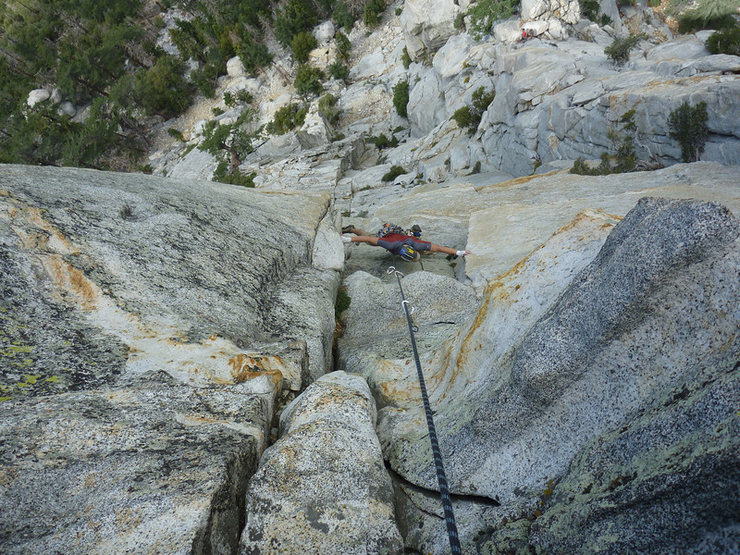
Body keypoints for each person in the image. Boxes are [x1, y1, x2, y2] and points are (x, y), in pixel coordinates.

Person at [341, 224, 472, 262]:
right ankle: (352, 229)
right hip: (389, 236)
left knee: (431, 249)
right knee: (366, 235)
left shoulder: (416, 244)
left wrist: (460, 252)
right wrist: (347, 239)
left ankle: (352, 230)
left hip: (401, 237)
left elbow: (438, 248)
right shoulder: (389, 244)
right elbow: (368, 239)